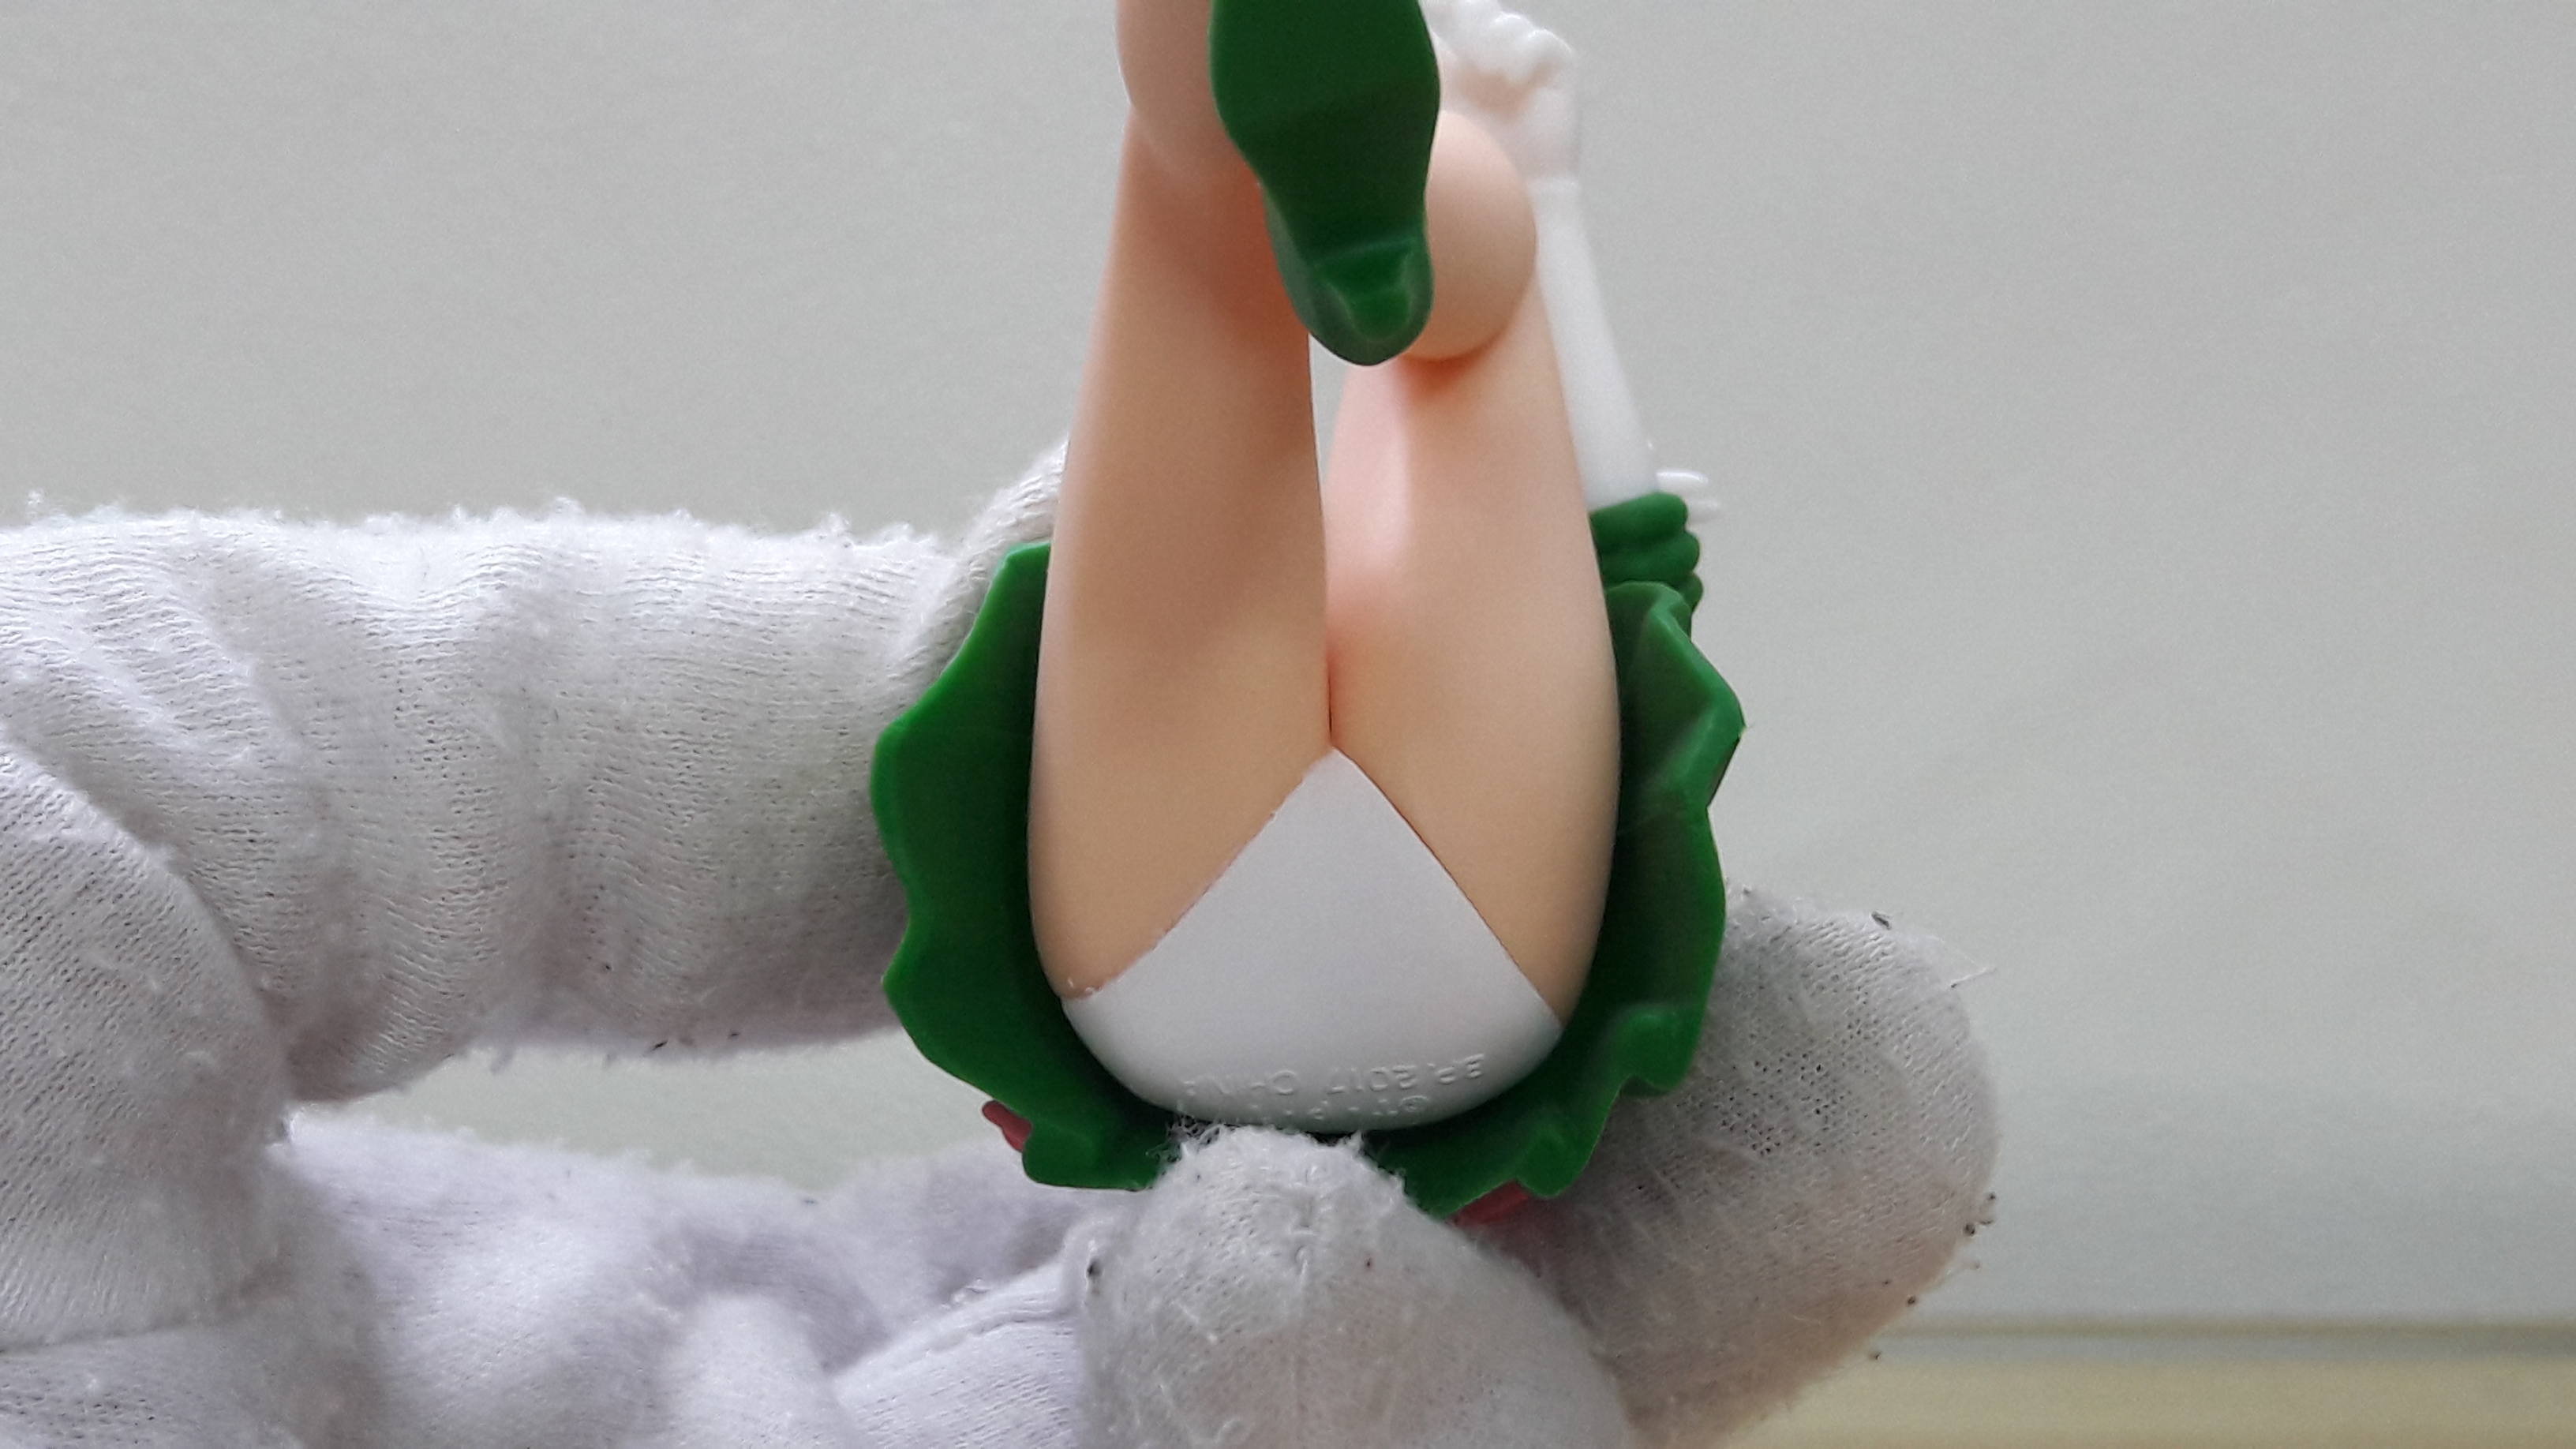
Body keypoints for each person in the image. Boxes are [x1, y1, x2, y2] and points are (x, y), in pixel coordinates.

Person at [1031, 0, 1646, 1130]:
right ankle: (1419, 206)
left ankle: (1255, 155)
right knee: (1475, 340)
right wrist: (1543, 195)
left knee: (1196, 246)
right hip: (1478, 976)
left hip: (1156, 969)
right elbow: (1621, 550)